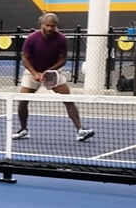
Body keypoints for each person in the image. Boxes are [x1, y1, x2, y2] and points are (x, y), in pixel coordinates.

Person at [11, 13, 95, 141]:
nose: (50, 28)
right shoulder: (32, 38)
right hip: (32, 72)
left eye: (53, 26)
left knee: (68, 100)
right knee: (22, 101)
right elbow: (25, 58)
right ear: (42, 25)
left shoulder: (61, 39)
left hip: (53, 72)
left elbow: (62, 59)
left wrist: (49, 71)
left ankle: (80, 130)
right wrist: (35, 73)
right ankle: (23, 130)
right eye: (47, 25)